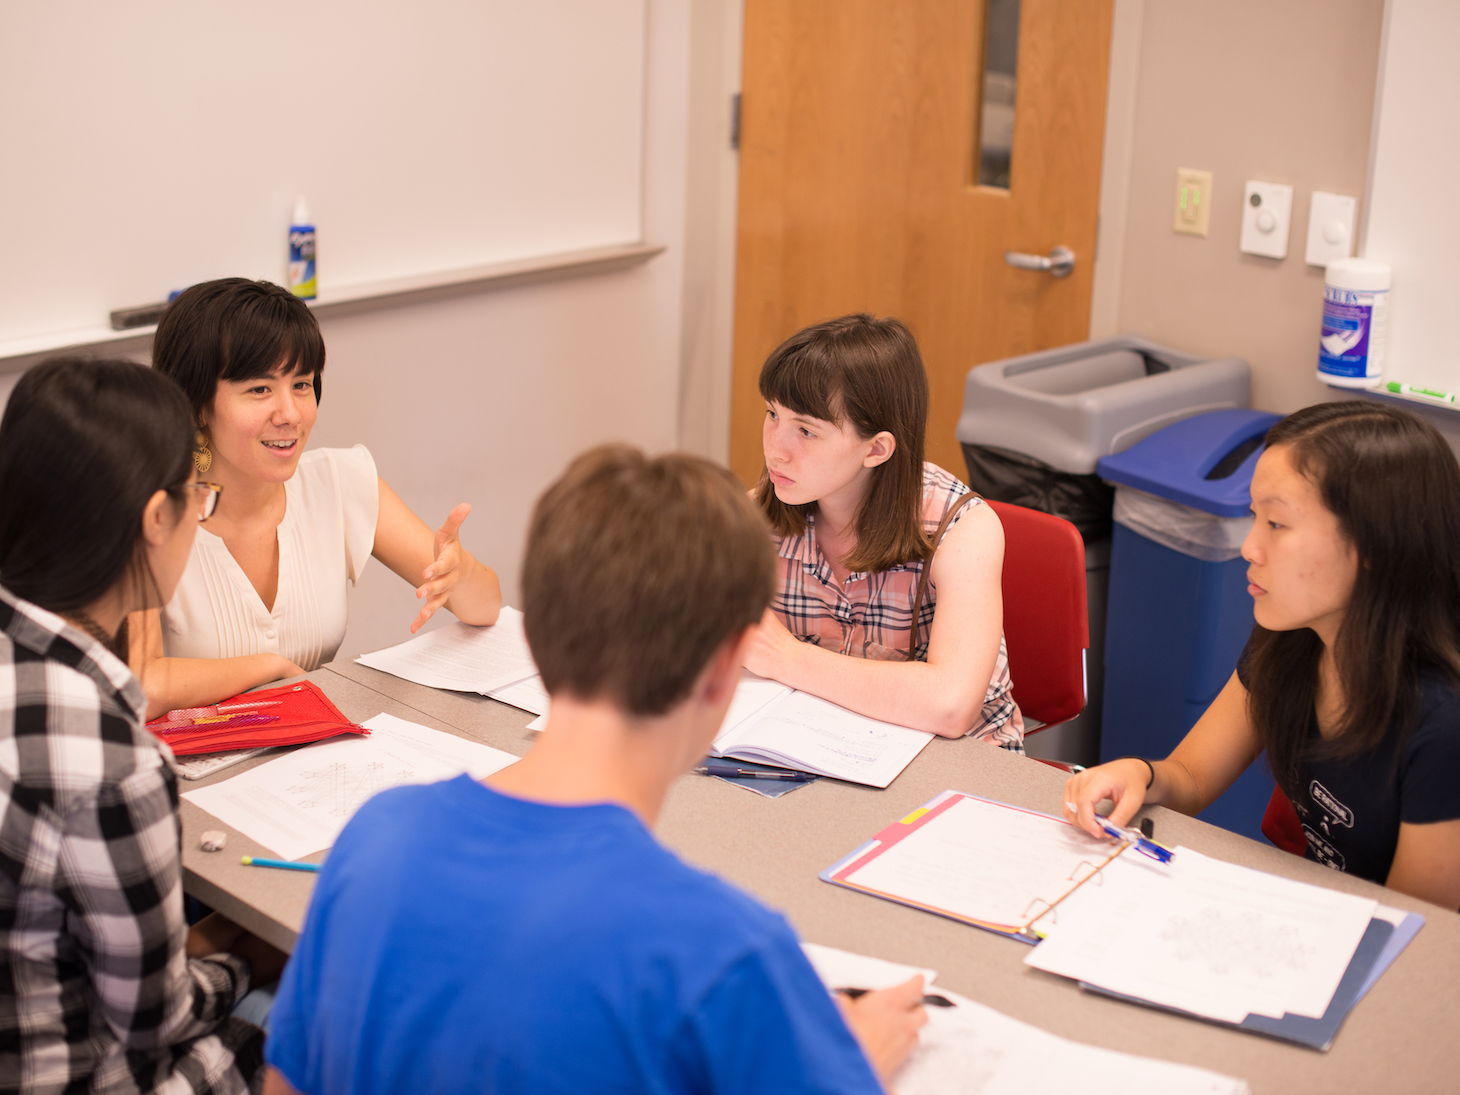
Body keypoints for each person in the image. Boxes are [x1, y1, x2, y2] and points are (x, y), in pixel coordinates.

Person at [262, 445, 927, 1095]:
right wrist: (852, 1066)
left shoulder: (375, 837)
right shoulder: (723, 953)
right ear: (725, 670)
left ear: (541, 634)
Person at [0, 357, 287, 1093]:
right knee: (331, 1032)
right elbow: (157, 1018)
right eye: (198, 497)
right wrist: (247, 949)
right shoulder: (109, 757)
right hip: (84, 1071)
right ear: (156, 517)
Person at [1064, 401, 1460, 909]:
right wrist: (1140, 774)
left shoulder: (1442, 722)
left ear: (1375, 548)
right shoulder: (1294, 639)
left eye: (1276, 523)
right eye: (1255, 517)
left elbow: (1412, 934)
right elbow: (1191, 776)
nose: (1249, 547)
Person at [133, 277, 502, 718]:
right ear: (195, 403)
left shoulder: (339, 479)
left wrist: (459, 575)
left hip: (315, 753)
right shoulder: (148, 510)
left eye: (302, 384)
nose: (290, 414)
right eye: (259, 389)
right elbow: (143, 683)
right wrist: (267, 668)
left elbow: (487, 608)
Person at [743, 314, 1023, 748]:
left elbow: (950, 705)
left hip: (959, 765)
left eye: (805, 430)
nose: (775, 449)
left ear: (875, 449)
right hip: (824, 746)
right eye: (772, 414)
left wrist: (786, 658)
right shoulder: (756, 516)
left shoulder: (963, 529)